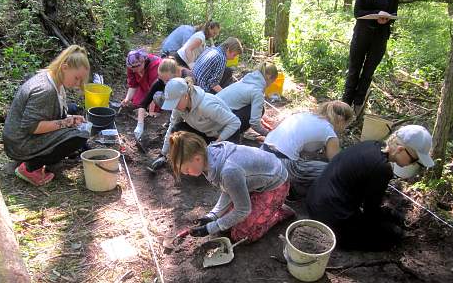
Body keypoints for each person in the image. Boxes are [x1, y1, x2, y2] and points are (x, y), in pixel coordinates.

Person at [306, 125, 434, 251]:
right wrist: (391, 228)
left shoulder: (372, 145)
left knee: (388, 220)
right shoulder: (382, 169)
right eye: (413, 159)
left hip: (314, 200)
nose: (411, 164)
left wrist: (389, 215)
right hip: (330, 219)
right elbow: (370, 212)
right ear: (400, 149)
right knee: (392, 235)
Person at [169, 131, 295, 242]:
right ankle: (264, 205)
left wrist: (210, 229)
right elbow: (228, 189)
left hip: (276, 184)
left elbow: (243, 209)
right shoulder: (208, 157)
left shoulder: (228, 171)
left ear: (197, 158)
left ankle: (278, 212)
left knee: (241, 234)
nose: (186, 173)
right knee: (225, 224)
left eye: (186, 169)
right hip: (255, 182)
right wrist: (212, 216)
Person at [3, 45, 91, 186]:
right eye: (77, 78)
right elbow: (32, 127)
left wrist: (70, 119)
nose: (77, 83)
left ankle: (37, 159)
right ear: (65, 67)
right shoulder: (46, 90)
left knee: (73, 109)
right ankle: (29, 167)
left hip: (19, 136)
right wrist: (67, 123)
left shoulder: (55, 81)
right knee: (78, 137)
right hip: (19, 143)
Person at [341, 0, 399, 116]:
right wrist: (375, 14)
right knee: (354, 70)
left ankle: (358, 106)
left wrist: (386, 19)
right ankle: (344, 107)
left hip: (380, 38)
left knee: (368, 73)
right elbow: (357, 13)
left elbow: (394, 13)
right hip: (361, 35)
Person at [262, 101, 354, 198]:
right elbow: (336, 163)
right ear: (341, 120)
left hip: (263, 151)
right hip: (283, 163)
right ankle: (297, 192)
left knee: (306, 160)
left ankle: (289, 187)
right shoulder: (329, 132)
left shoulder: (304, 115)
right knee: (332, 171)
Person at [148, 77, 241, 171]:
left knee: (218, 167)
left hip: (225, 136)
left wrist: (216, 143)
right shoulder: (178, 108)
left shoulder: (206, 105)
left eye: (175, 102)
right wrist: (163, 154)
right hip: (206, 134)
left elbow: (235, 123)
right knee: (177, 129)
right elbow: (172, 127)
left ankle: (207, 159)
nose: (174, 106)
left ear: (185, 95)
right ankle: (185, 159)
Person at [133, 58, 193, 141]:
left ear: (176, 74)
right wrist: (140, 125)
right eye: (161, 78)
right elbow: (144, 103)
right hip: (176, 105)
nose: (165, 83)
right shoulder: (162, 81)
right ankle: (172, 119)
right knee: (157, 96)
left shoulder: (188, 77)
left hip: (191, 105)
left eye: (168, 80)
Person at [217, 63, 278, 138]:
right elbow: (254, 123)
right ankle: (232, 135)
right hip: (218, 123)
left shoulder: (245, 81)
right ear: (269, 77)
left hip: (212, 114)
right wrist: (268, 134)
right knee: (261, 110)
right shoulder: (257, 91)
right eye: (272, 82)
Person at [121, 49, 162, 115]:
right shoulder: (131, 66)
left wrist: (151, 111)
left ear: (143, 62)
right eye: (132, 69)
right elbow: (133, 85)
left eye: (135, 68)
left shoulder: (155, 66)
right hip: (145, 86)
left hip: (159, 89)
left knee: (154, 106)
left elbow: (155, 89)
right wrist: (127, 99)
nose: (133, 71)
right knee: (137, 103)